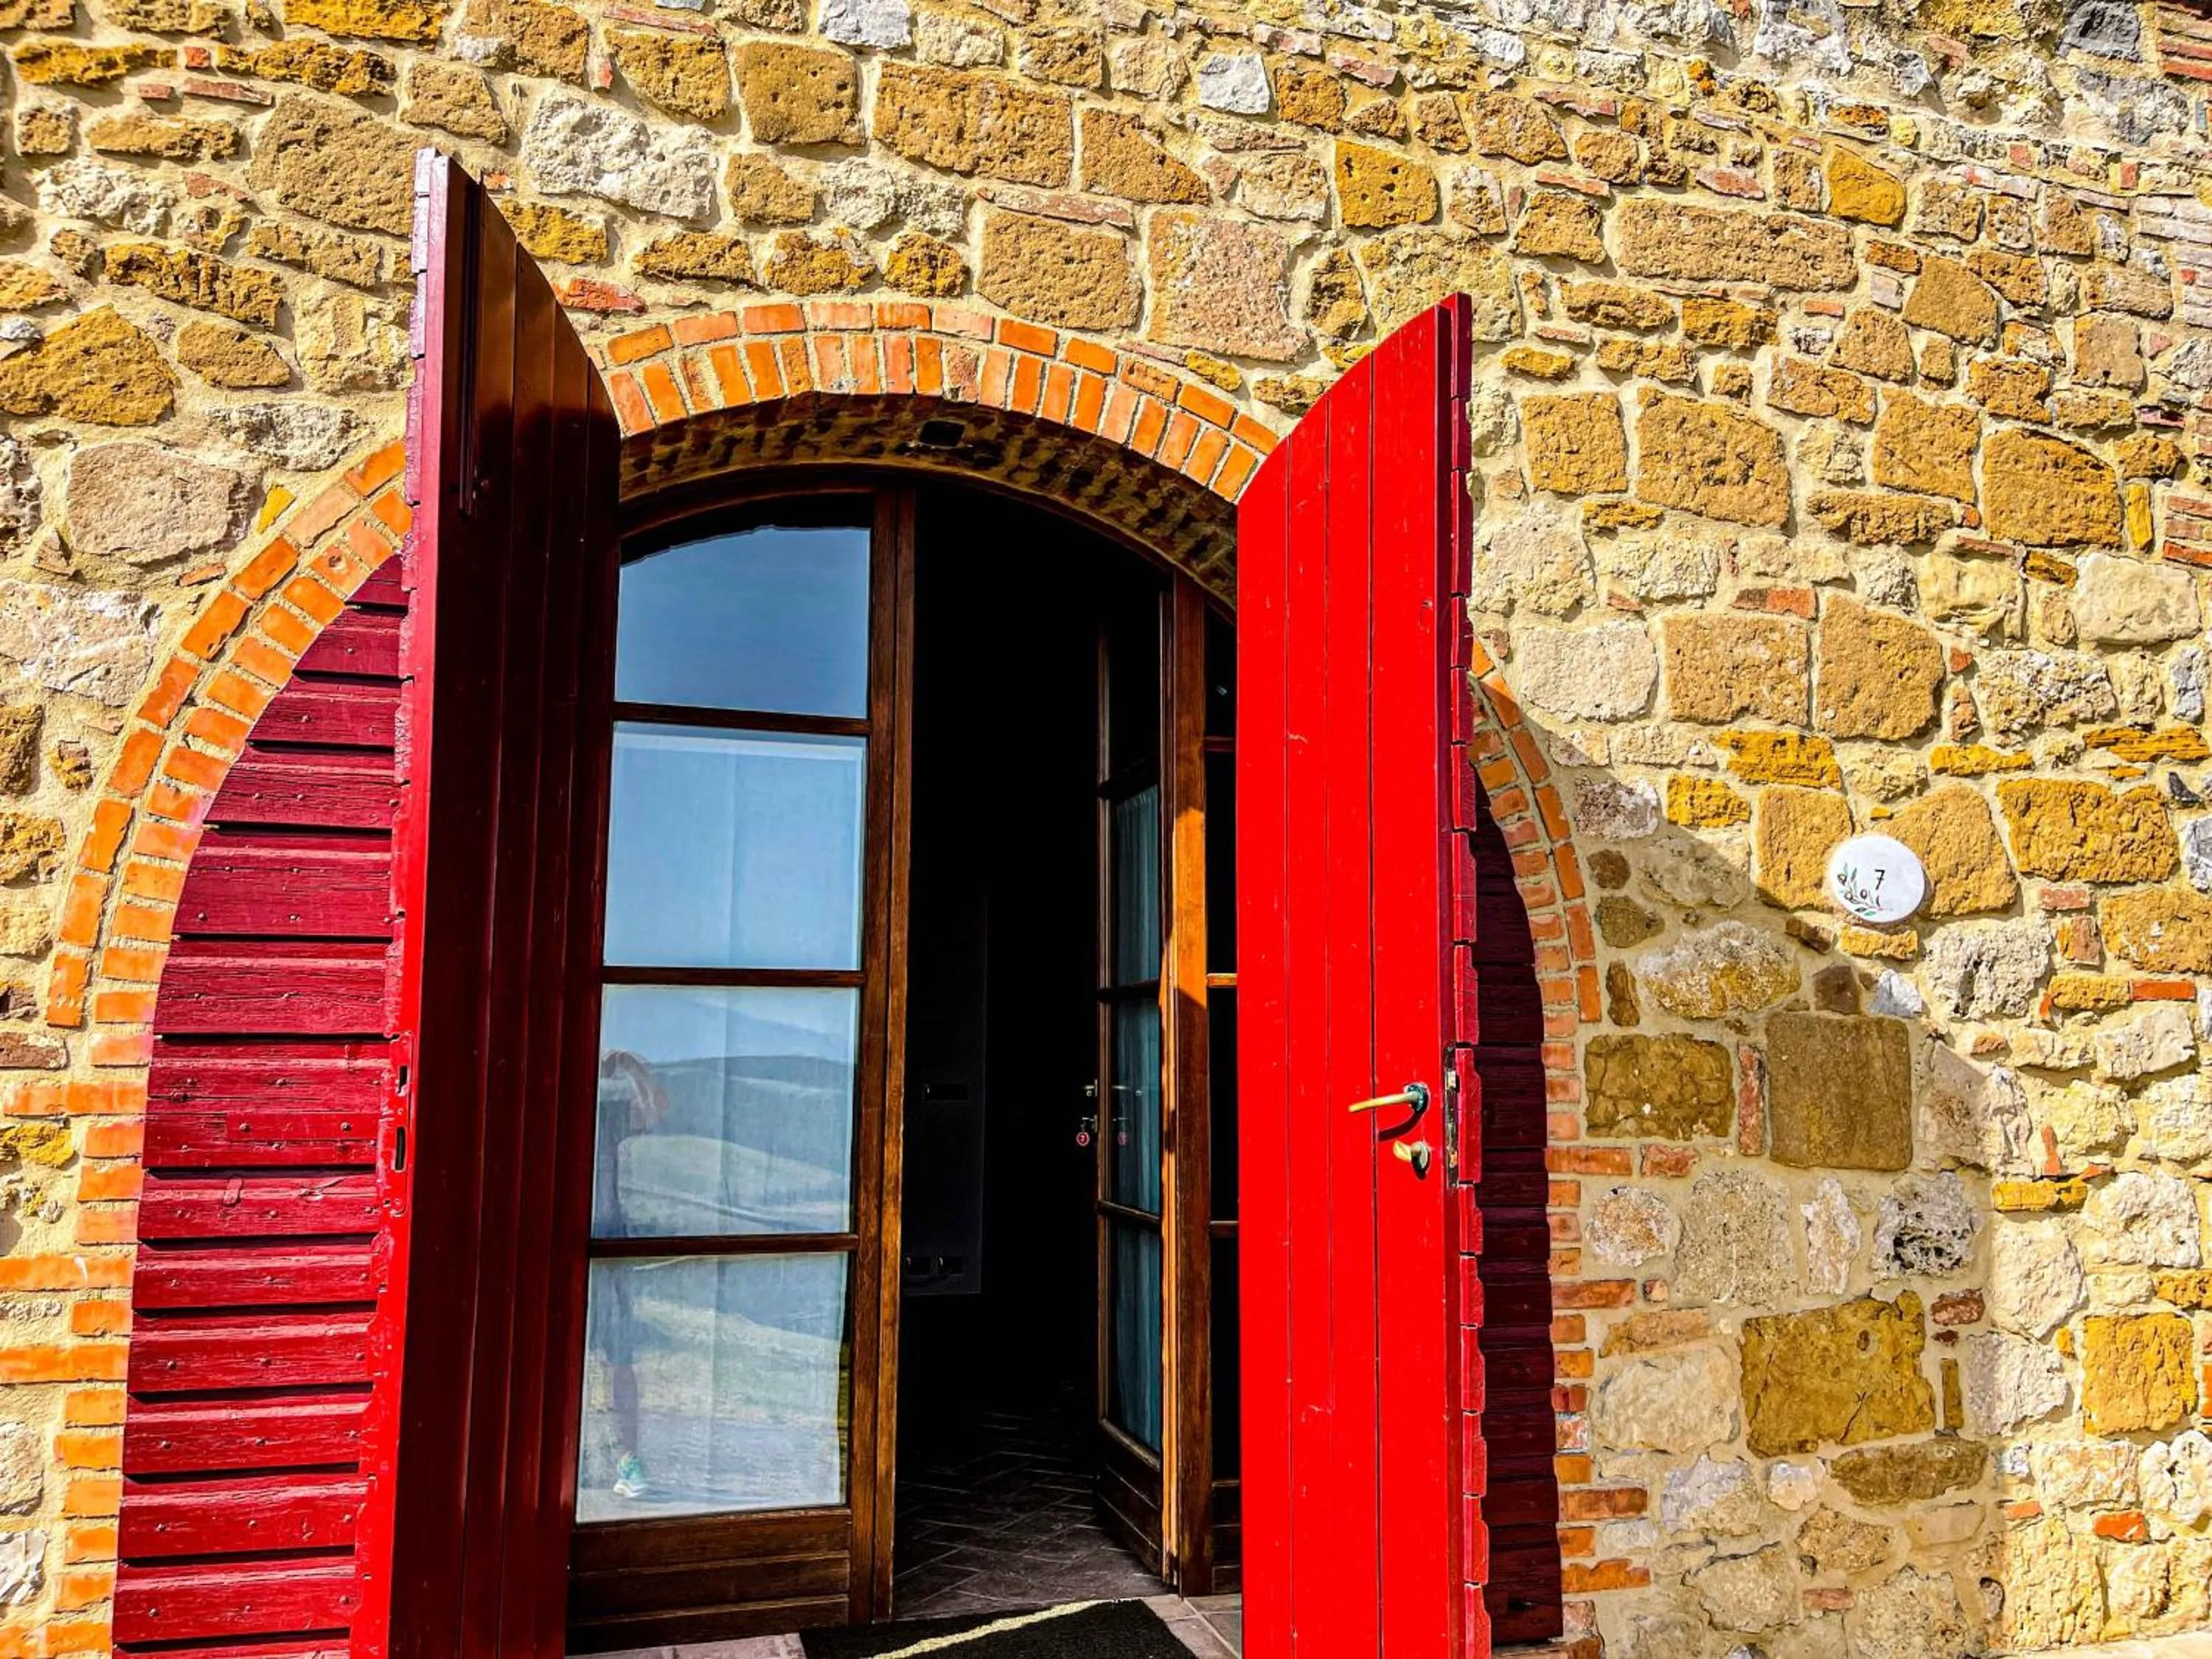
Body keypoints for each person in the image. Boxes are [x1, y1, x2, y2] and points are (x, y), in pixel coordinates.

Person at [593, 1047, 670, 1502]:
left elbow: (655, 1110)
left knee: (620, 1356)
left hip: (608, 1247)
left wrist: (632, 1066)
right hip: (561, 1244)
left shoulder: (607, 1118)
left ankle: (628, 1458)